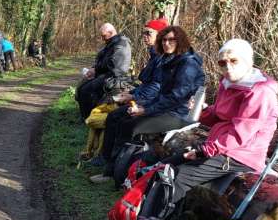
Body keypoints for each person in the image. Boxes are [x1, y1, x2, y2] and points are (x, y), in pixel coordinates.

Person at [122, 39, 278, 220]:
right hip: (221, 147)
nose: (228, 67)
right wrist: (202, 110)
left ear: (248, 61)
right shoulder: (229, 84)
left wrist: (204, 151)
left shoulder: (259, 92)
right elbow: (218, 115)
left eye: (234, 61)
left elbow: (241, 133)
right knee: (167, 164)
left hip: (241, 154)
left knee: (178, 176)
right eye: (222, 63)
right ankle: (149, 219)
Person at [93, 26, 204, 184]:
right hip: (164, 108)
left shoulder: (187, 64)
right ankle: (113, 167)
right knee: (124, 118)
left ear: (180, 41)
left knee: (130, 126)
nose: (167, 43)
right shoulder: (170, 60)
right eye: (164, 40)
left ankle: (115, 173)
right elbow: (162, 95)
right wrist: (141, 107)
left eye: (171, 40)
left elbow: (176, 98)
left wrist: (145, 109)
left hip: (177, 114)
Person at [90, 18, 168, 167]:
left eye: (148, 33)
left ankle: (110, 161)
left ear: (160, 35)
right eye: (143, 33)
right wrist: (132, 92)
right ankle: (107, 155)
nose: (144, 36)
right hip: (146, 98)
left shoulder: (161, 58)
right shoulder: (155, 55)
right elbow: (148, 84)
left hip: (153, 104)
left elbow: (156, 87)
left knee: (116, 117)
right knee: (110, 107)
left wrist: (133, 96)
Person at [74, 23, 132, 120]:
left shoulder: (121, 43)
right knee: (81, 87)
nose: (102, 39)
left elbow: (114, 64)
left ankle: (88, 118)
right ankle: (86, 116)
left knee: (86, 90)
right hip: (105, 73)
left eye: (104, 36)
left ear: (111, 32)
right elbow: (102, 60)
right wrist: (93, 69)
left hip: (115, 77)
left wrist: (96, 70)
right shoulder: (111, 43)